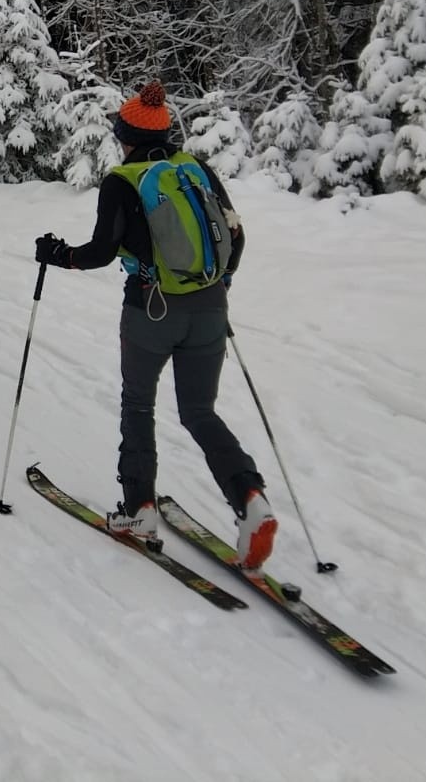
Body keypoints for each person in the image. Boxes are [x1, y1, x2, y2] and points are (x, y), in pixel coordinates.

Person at [34, 81, 277, 569]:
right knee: (200, 412)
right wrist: (218, 287)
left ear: (125, 135)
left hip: (150, 312)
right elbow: (236, 234)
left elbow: (101, 253)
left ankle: (139, 509)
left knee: (138, 404)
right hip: (210, 309)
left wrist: (57, 255)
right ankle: (251, 499)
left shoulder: (122, 181)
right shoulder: (197, 169)